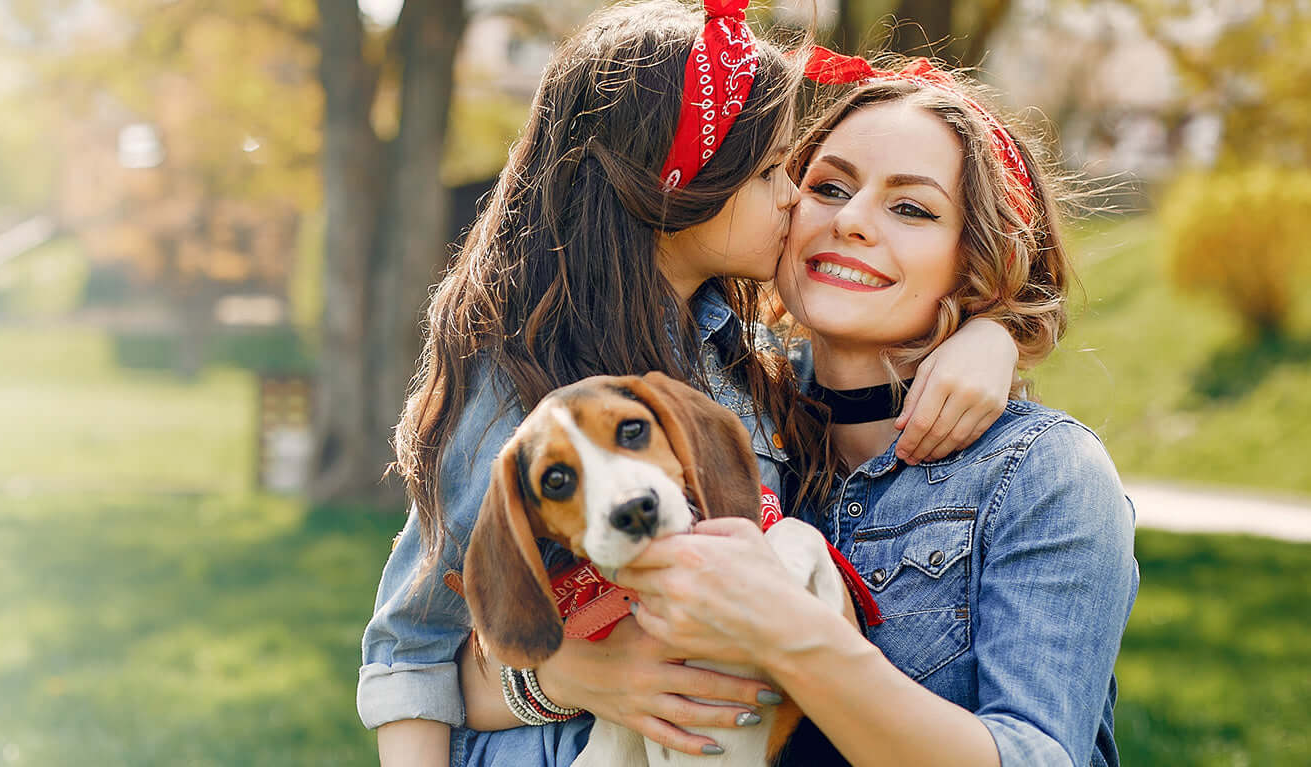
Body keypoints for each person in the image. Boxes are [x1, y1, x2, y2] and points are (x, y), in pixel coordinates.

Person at [360, 2, 1025, 764]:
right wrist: (575, 673)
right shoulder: (520, 379)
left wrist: (990, 336)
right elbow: (411, 642)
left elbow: (867, 376)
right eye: (773, 171)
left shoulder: (743, 356)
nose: (795, 197)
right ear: (677, 185)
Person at [609, 50, 1139, 767]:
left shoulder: (1044, 473)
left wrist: (794, 633)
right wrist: (572, 673)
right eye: (827, 187)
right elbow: (462, 640)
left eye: (911, 207)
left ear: (977, 256)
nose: (852, 220)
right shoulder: (708, 412)